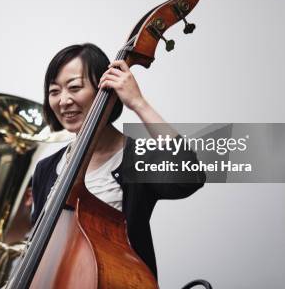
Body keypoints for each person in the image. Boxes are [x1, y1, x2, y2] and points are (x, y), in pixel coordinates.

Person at [30, 43, 205, 279]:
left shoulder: (136, 158)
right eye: (54, 91)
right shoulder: (46, 168)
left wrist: (138, 103)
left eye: (74, 88)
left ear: (105, 88)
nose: (63, 101)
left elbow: (189, 177)